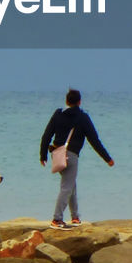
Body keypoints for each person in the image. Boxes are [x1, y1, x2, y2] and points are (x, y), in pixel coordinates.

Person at [39, 87, 115, 229]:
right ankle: (57, 219)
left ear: (66, 101)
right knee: (67, 186)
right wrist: (107, 158)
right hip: (71, 156)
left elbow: (46, 135)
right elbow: (94, 140)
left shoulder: (58, 114)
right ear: (79, 102)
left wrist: (43, 155)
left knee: (70, 184)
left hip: (57, 154)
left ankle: (75, 217)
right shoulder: (83, 117)